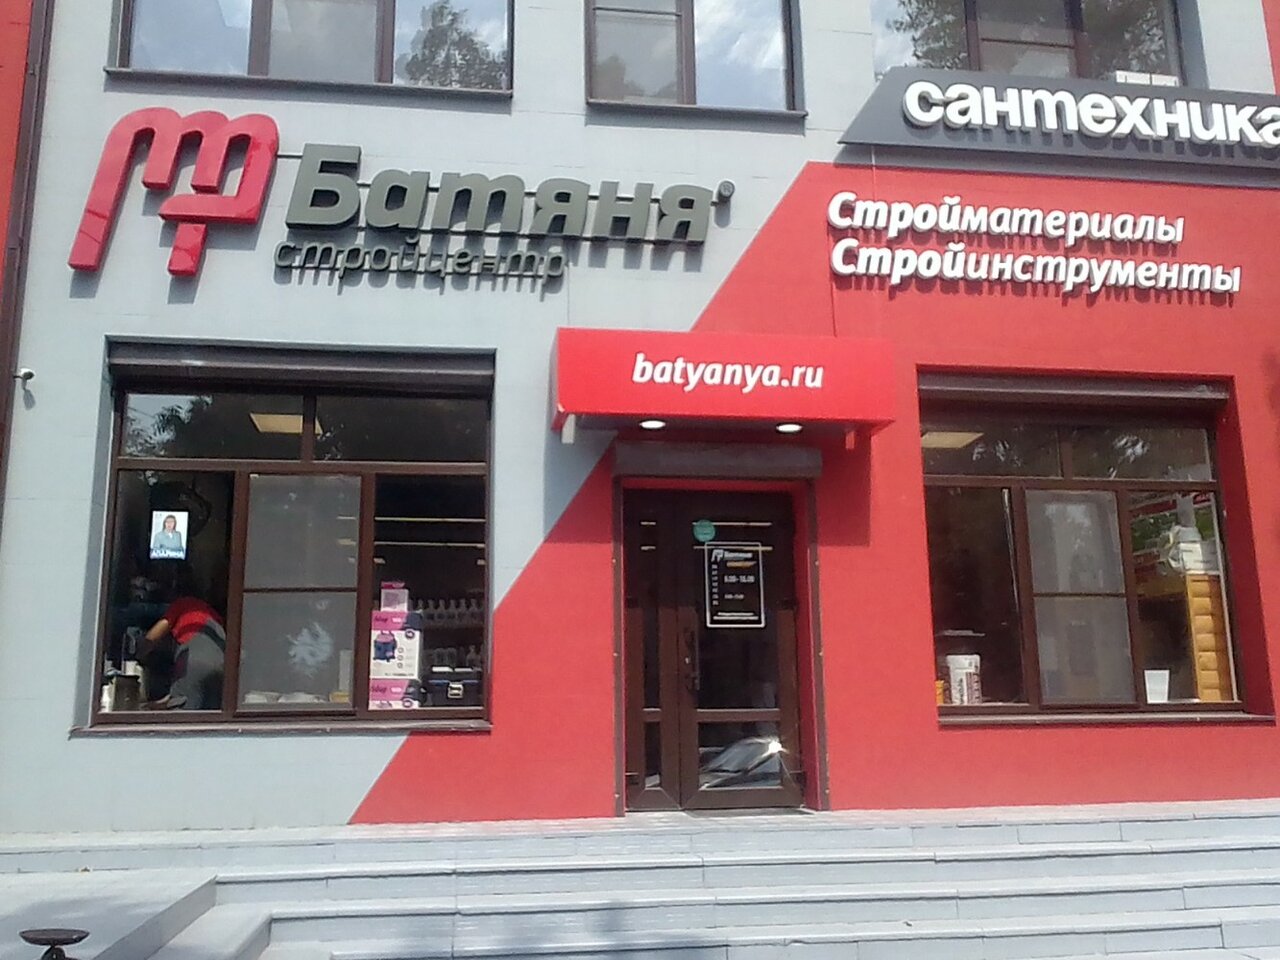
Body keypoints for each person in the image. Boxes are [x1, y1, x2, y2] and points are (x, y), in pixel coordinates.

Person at [144, 596, 225, 710]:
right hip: (220, 665)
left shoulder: (184, 603)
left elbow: (153, 637)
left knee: (182, 713)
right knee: (209, 712)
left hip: (195, 660)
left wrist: (140, 655)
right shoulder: (213, 617)